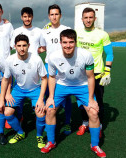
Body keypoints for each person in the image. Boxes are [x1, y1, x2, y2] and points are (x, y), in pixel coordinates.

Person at [41, 29, 106, 158]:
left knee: (93, 112)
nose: (68, 45)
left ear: (76, 42)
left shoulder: (86, 55)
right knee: (49, 109)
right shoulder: (53, 57)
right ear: (60, 43)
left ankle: (94, 145)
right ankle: (51, 142)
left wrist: (92, 99)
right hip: (62, 85)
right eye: (65, 42)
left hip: (82, 86)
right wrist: (50, 97)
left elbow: (90, 77)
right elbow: (52, 78)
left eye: (71, 42)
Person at [0, 34, 47, 149]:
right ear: (15, 46)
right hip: (19, 89)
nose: (22, 48)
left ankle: (39, 135)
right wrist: (4, 96)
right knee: (7, 112)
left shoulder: (36, 59)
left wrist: (40, 98)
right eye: (19, 46)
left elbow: (44, 79)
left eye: (24, 45)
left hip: (35, 89)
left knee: (40, 112)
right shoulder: (10, 60)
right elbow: (6, 79)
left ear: (29, 46)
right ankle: (20, 132)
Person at [75, 7, 114, 137]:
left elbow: (109, 54)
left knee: (98, 102)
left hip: (97, 74)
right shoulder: (77, 33)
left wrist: (107, 71)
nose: (88, 20)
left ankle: (100, 126)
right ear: (82, 19)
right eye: (85, 18)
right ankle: (85, 123)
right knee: (81, 102)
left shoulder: (102, 34)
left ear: (95, 19)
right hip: (80, 75)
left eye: (90, 17)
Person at [42, 4, 72, 135]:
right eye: (52, 14)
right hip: (49, 67)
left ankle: (67, 122)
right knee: (49, 95)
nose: (54, 17)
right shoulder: (44, 31)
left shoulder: (67, 29)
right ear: (49, 16)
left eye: (56, 14)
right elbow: (42, 48)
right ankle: (48, 121)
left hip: (64, 67)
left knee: (66, 97)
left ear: (60, 15)